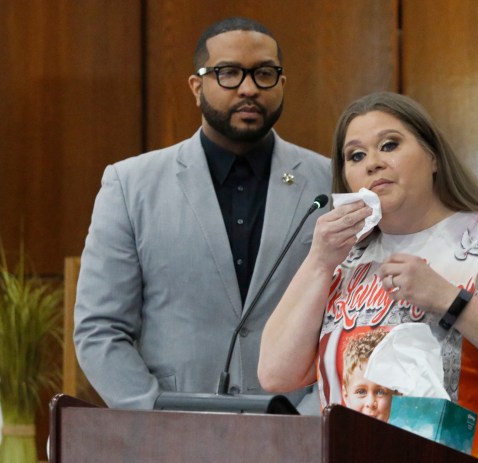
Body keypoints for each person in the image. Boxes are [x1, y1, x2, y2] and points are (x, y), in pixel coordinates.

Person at [258, 92, 478, 462]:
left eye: (390, 145)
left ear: (432, 156)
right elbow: (275, 374)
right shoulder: (343, 258)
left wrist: (449, 300)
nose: (373, 163)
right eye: (356, 155)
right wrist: (318, 261)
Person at [73, 17, 331, 411]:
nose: (248, 88)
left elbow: (352, 322)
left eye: (264, 73)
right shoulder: (130, 185)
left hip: (299, 428)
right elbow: (100, 329)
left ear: (282, 84)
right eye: (228, 73)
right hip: (170, 435)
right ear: (197, 87)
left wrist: (310, 418)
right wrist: (156, 417)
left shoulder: (330, 182)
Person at [340, 328, 395, 422]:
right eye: (361, 392)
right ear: (346, 395)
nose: (370, 403)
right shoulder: (338, 434)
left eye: (380, 392)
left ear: (395, 394)